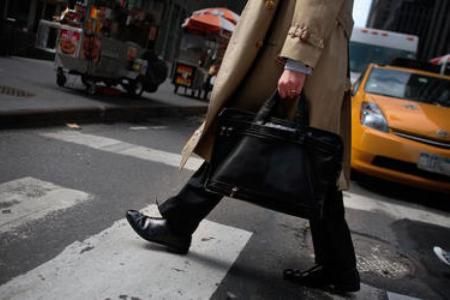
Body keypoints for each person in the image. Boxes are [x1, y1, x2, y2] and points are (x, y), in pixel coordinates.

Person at [126, 0, 359, 293]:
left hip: (293, 53)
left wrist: (299, 59)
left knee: (243, 141)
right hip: (294, 48)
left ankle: (177, 225)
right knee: (310, 168)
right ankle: (339, 267)